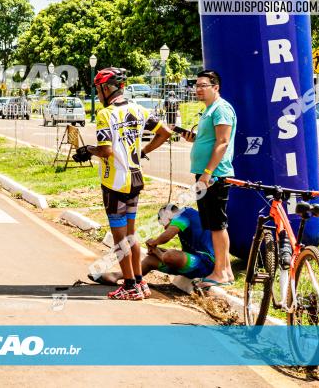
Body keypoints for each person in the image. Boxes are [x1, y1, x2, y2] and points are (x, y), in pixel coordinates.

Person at [74, 67, 173, 300]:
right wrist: (143, 151)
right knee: (131, 235)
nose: (98, 94)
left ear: (107, 88)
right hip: (135, 178)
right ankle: (140, 283)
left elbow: (106, 150)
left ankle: (129, 286)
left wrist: (88, 150)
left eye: (98, 89)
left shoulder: (105, 114)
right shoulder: (139, 110)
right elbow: (166, 132)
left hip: (115, 183)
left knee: (120, 239)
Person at [178, 69, 237, 289]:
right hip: (207, 174)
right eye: (197, 85)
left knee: (218, 225)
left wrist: (208, 172)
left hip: (215, 175)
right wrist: (194, 139)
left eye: (203, 85)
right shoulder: (209, 110)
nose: (198, 89)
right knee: (214, 225)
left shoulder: (221, 109)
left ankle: (220, 272)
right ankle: (226, 271)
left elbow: (222, 142)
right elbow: (210, 140)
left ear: (216, 87)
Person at [144, 204, 215, 283]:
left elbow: (168, 235)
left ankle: (158, 253)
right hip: (191, 267)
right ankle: (132, 282)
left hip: (206, 265)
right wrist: (157, 250)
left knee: (170, 255)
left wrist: (153, 243)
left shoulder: (184, 213)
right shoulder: (183, 222)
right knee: (149, 260)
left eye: (163, 222)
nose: (164, 227)